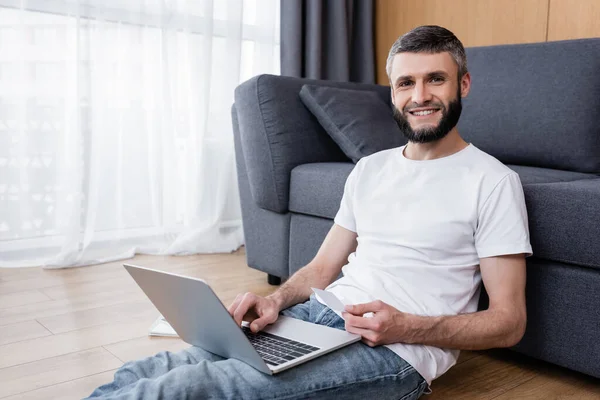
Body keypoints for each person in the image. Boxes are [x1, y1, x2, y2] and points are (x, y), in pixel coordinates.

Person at [87, 25, 532, 400]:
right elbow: (322, 267)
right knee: (152, 370)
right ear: (392, 92)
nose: (420, 96)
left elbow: (509, 323)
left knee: (196, 388)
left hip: (398, 352)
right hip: (317, 319)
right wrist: (275, 300)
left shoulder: (491, 182)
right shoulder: (370, 169)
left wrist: (407, 326)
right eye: (405, 83)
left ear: (463, 85)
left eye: (435, 79)